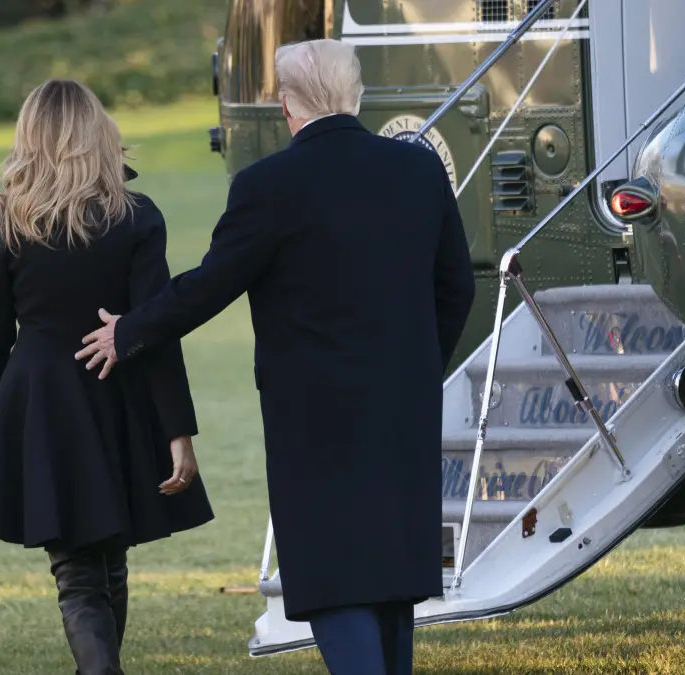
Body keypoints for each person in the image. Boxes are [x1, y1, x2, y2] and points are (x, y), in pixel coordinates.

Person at [75, 39, 476, 674]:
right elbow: (457, 289)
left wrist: (129, 332)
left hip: (312, 416)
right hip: (403, 405)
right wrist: (420, 368)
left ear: (287, 105)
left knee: (332, 575)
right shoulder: (419, 170)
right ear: (357, 96)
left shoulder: (267, 186)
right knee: (393, 573)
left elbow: (209, 286)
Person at [0, 79, 215, 675]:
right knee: (105, 558)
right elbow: (156, 331)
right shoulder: (135, 216)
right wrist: (176, 430)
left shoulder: (3, 219)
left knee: (80, 568)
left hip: (42, 399)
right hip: (117, 393)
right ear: (98, 132)